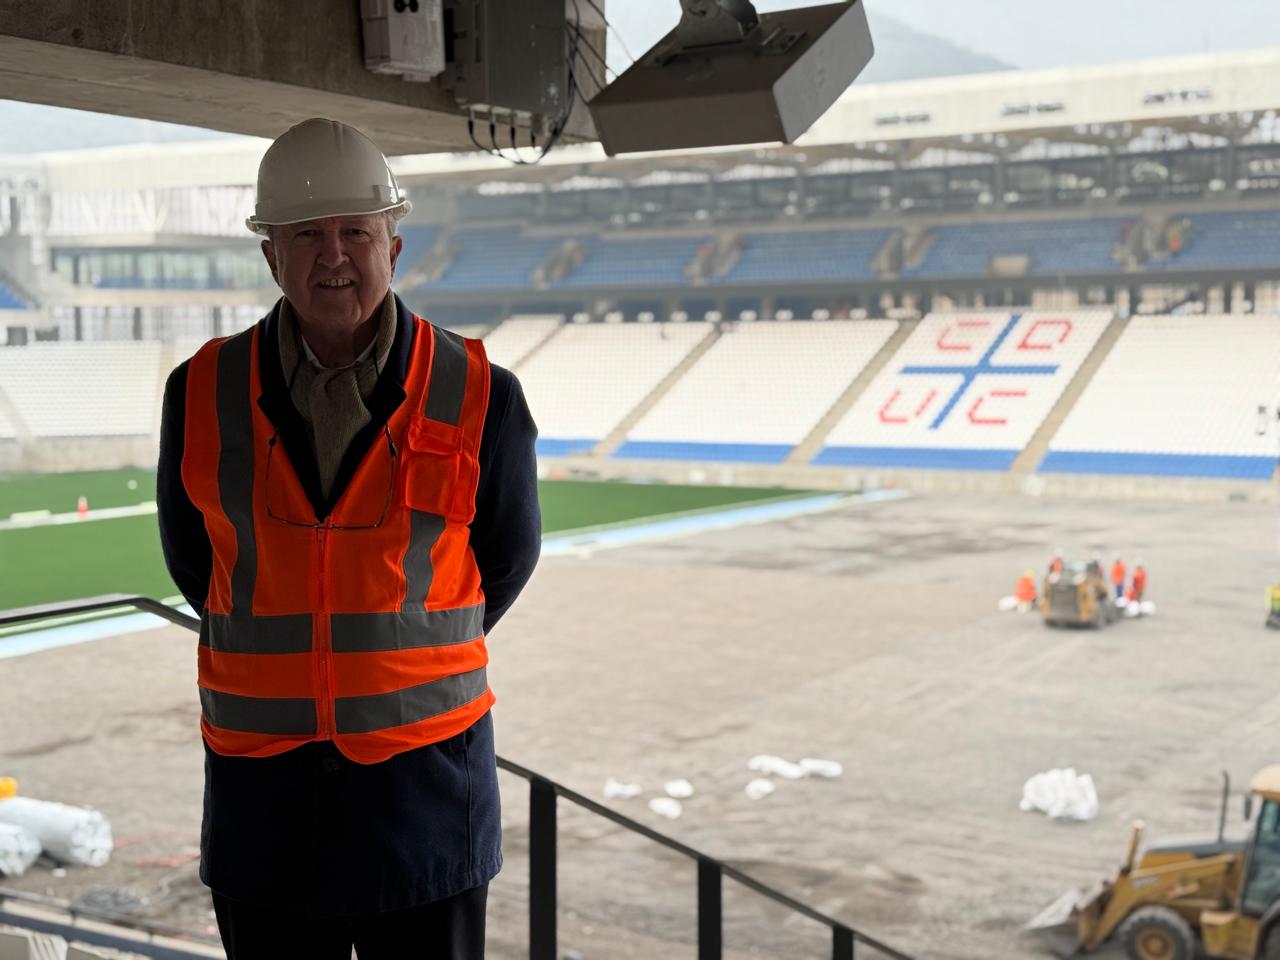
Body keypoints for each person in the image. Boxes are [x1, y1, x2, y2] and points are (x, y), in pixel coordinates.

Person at [156, 118, 541, 959]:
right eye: (306, 235)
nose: (333, 255)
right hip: (265, 810)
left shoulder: (482, 393)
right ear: (271, 257)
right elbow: (193, 559)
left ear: (392, 249)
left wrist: (392, 652)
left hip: (425, 801)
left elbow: (507, 560)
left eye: (355, 233)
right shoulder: (200, 391)